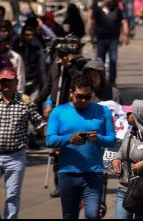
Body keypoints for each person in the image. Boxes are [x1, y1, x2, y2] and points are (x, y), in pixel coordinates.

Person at [45, 75, 117, 219]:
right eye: (79, 96)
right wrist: (69, 139)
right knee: (69, 215)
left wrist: (99, 138)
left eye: (88, 97)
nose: (84, 101)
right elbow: (49, 140)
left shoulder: (103, 111)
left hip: (93, 174)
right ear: (71, 92)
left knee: (92, 215)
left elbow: (112, 140)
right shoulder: (59, 112)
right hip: (67, 174)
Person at [0, 68, 46, 219]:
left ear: (16, 82)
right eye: (3, 81)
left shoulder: (24, 102)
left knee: (13, 194)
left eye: (9, 81)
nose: (6, 84)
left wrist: (51, 137)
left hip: (16, 155)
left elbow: (39, 122)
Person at [88, 0, 129, 86]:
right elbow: (92, 24)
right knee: (99, 62)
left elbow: (124, 22)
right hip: (101, 39)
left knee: (113, 60)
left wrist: (125, 35)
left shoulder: (117, 10)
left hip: (113, 39)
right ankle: (100, 80)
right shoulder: (97, 11)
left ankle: (112, 81)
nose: (108, 0)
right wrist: (91, 36)